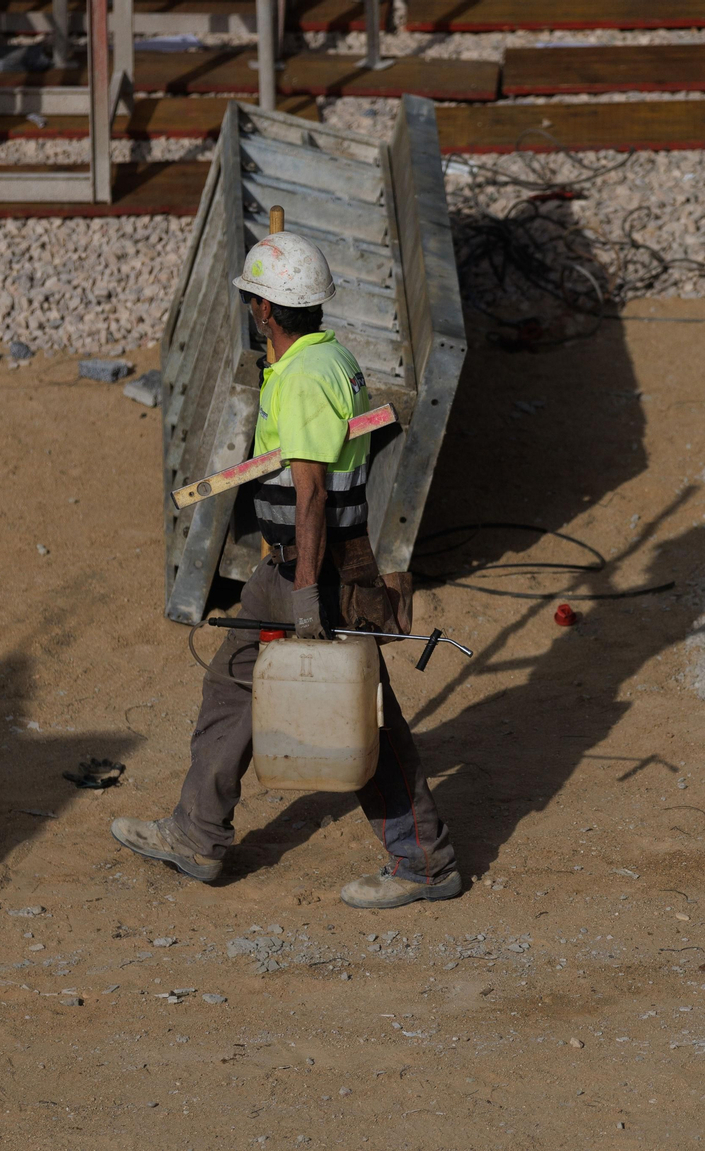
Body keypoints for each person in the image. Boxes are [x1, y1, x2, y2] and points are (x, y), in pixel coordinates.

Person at [110, 231, 461, 909]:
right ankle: (196, 832)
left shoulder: (301, 377)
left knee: (358, 715)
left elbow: (311, 492)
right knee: (238, 684)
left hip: (314, 567)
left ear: (264, 310)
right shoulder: (331, 358)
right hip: (302, 565)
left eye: (253, 298)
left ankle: (425, 861)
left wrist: (305, 596)